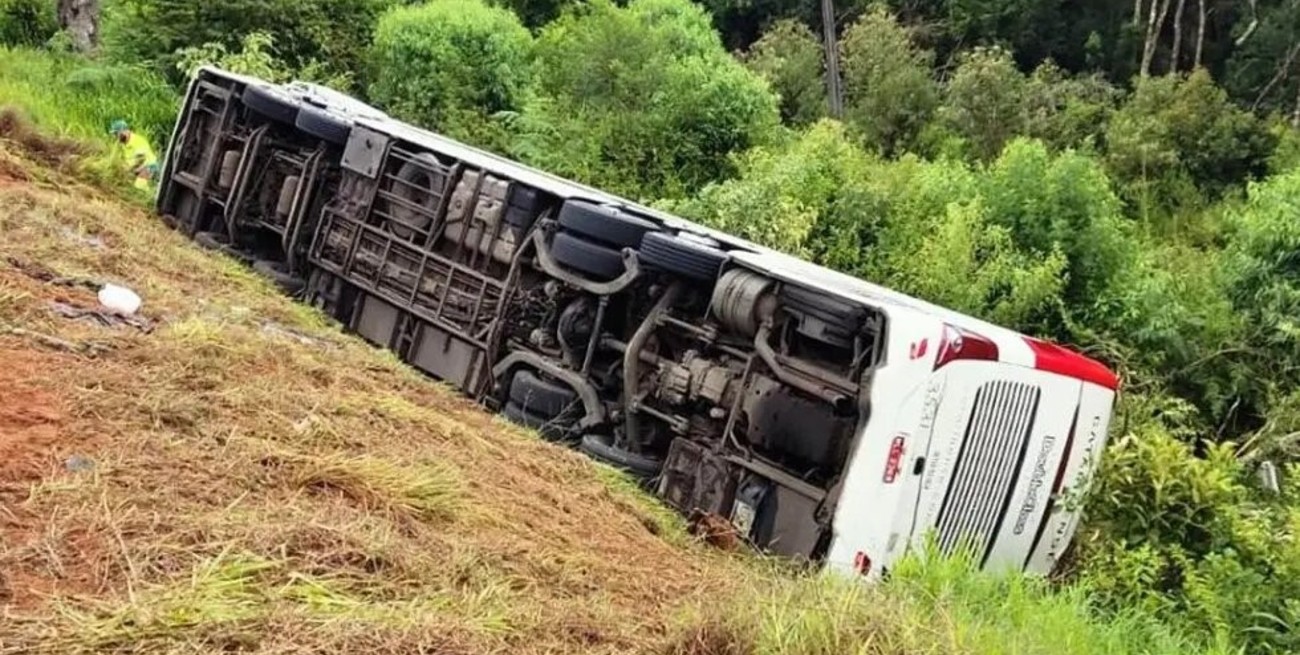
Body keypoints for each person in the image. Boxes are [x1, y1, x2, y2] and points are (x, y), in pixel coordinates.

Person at [109, 119, 159, 192]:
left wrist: (128, 170)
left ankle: (150, 198)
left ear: (124, 131)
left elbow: (140, 160)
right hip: (136, 169)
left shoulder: (137, 140)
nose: (115, 137)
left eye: (116, 133)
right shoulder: (124, 143)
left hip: (149, 167)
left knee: (139, 186)